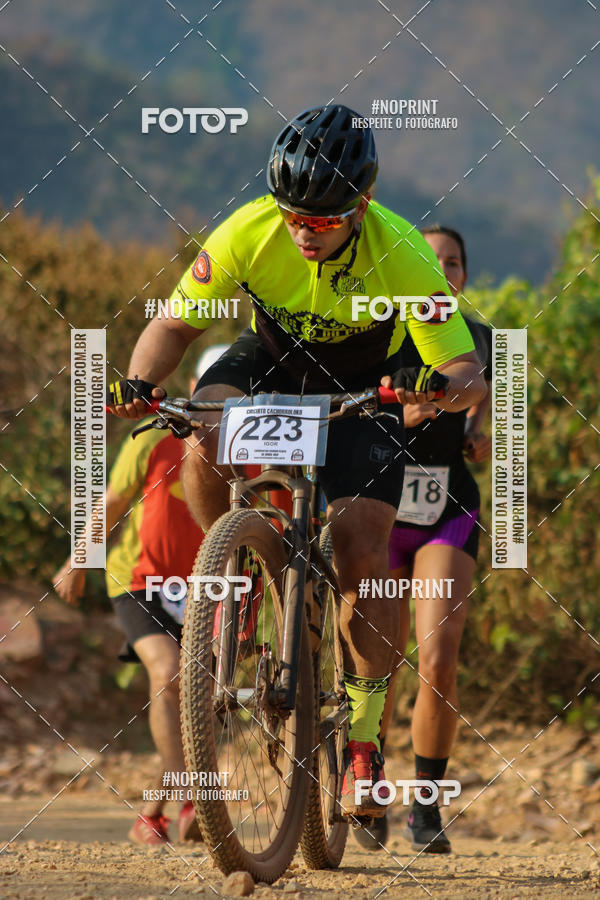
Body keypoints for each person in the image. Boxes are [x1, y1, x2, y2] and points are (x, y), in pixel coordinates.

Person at [106, 105, 487, 819]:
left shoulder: (401, 250)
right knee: (201, 431)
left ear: (361, 205)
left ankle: (367, 748)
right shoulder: (248, 229)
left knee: (360, 549)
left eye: (322, 219)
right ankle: (234, 569)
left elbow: (470, 371)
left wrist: (435, 388)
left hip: (365, 381)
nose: (303, 232)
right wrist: (140, 382)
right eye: (292, 216)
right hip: (273, 364)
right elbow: (174, 323)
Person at [54, 347, 228, 844]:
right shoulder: (155, 435)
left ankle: (153, 810)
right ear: (194, 388)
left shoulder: (247, 445)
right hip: (140, 580)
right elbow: (112, 500)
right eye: (210, 390)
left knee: (197, 696)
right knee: (168, 672)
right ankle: (193, 795)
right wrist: (77, 560)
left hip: (208, 586)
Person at [354, 225, 492, 852]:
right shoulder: (375, 334)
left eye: (454, 263)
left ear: (465, 276)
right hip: (377, 512)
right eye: (429, 261)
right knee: (373, 663)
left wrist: (480, 437)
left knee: (437, 656)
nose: (443, 270)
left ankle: (427, 807)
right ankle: (368, 782)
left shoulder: (484, 343)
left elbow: (493, 432)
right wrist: (399, 412)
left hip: (447, 510)